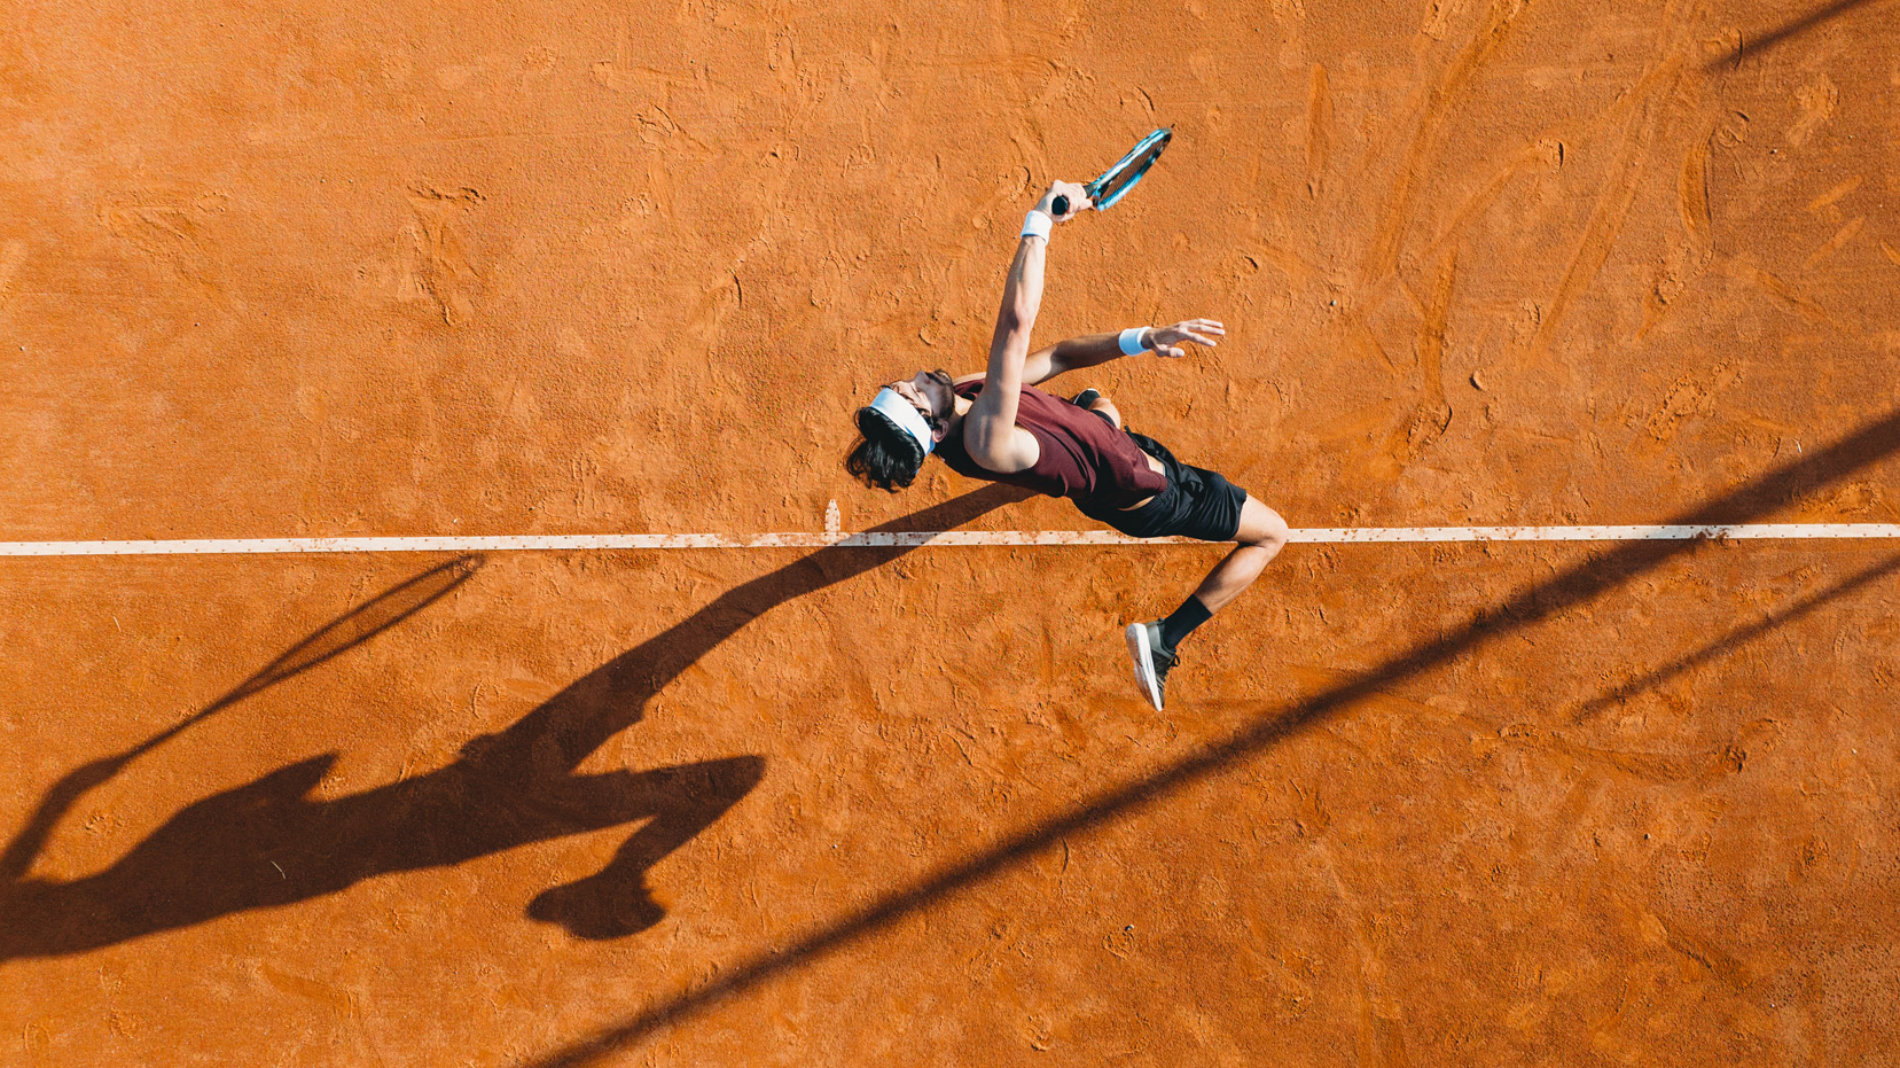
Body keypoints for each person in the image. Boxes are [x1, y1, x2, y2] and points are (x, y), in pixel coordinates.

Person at [846, 181, 1289, 710]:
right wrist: (1040, 223)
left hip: (1111, 449)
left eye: (902, 383)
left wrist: (1143, 338)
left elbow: (1055, 357)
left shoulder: (965, 394)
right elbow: (1016, 326)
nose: (914, 377)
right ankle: (1163, 639)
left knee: (1098, 406)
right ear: (935, 432)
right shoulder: (986, 437)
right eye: (915, 393)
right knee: (1271, 535)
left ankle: (1089, 425)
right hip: (1153, 492)